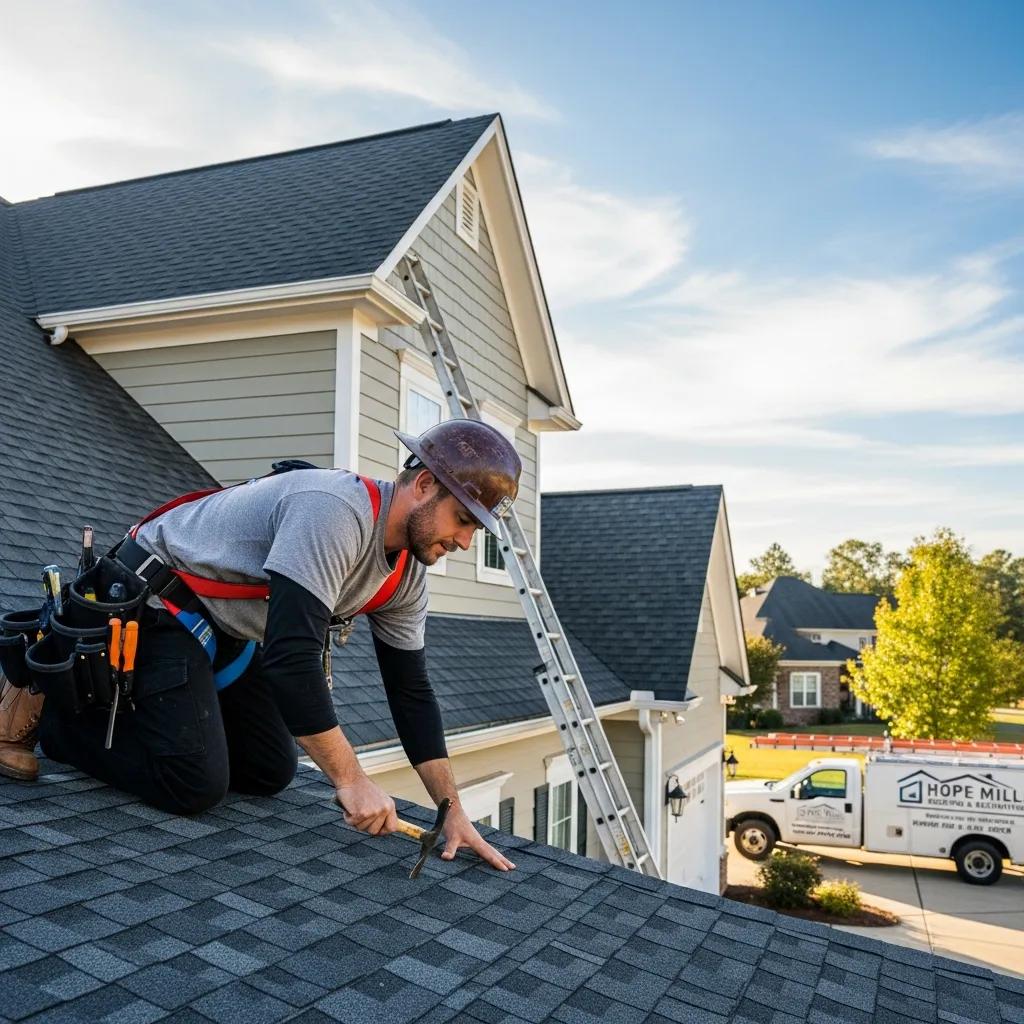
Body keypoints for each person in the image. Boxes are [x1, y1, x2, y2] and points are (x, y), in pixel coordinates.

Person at [0, 419, 521, 872]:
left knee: (270, 770)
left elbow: (411, 692)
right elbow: (292, 661)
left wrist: (449, 808)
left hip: (225, 627)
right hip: (157, 600)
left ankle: (157, 715)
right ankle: (55, 709)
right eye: (464, 521)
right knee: (192, 784)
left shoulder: (407, 573)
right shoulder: (333, 512)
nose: (465, 543)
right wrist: (353, 780)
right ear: (425, 485)